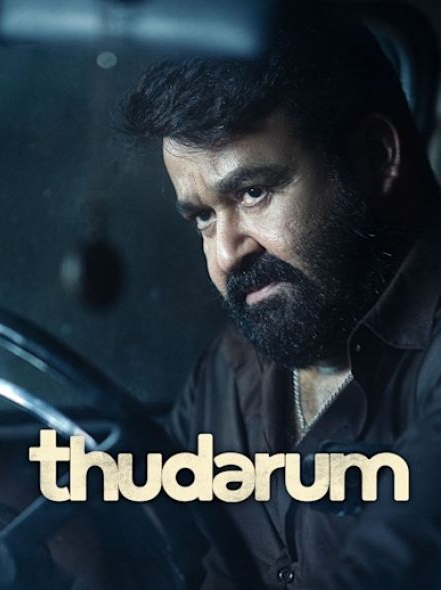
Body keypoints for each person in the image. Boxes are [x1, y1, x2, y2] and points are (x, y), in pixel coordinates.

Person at [122, 2, 441, 588]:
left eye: (252, 193)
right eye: (202, 218)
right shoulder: (230, 370)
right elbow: (147, 537)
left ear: (376, 157)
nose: (226, 254)